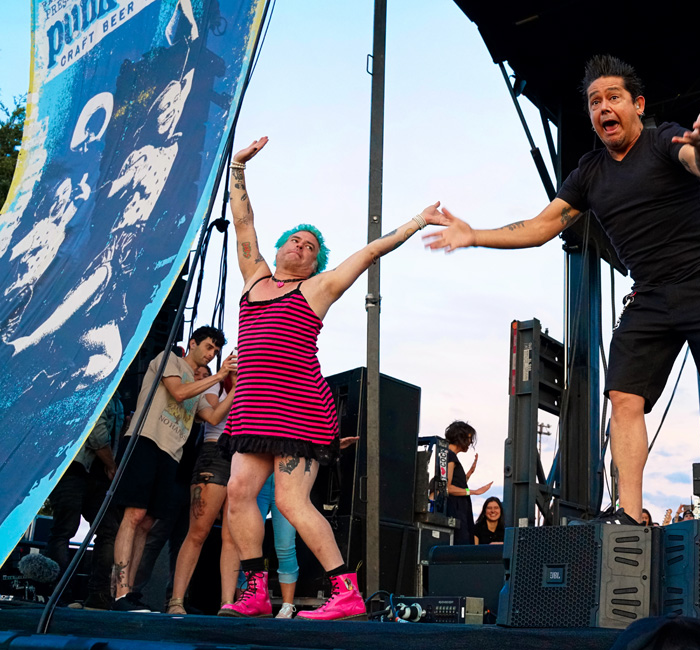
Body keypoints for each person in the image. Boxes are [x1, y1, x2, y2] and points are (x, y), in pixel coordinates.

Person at [425, 54, 700, 523]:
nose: (603, 108)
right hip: (649, 294)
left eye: (613, 97)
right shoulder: (589, 173)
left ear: (636, 104)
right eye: (595, 102)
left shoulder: (663, 140)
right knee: (624, 398)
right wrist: (474, 235)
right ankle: (630, 516)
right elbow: (541, 226)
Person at [219, 136, 449, 621]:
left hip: (300, 404)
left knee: (289, 499)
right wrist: (237, 168)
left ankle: (346, 592)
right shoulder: (254, 275)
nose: (301, 248)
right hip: (253, 406)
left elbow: (368, 253)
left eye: (311, 247)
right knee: (238, 493)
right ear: (280, 248)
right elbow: (244, 222)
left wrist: (415, 221)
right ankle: (256, 589)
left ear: (315, 262)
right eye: (296, 241)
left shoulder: (318, 288)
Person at [111, 327, 235, 612]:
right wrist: (218, 375)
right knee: (134, 514)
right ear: (192, 343)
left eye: (215, 351)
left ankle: (127, 592)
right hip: (145, 439)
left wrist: (235, 384)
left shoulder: (201, 383)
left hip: (171, 452)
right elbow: (178, 393)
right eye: (208, 347)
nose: (211, 354)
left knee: (147, 522)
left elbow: (214, 415)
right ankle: (119, 590)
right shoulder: (170, 360)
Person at [167, 369, 238, 615]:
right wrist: (235, 384)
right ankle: (176, 601)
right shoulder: (214, 386)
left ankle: (227, 603)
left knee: (232, 537)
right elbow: (214, 418)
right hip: (215, 454)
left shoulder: (256, 388)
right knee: (198, 532)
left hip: (242, 455)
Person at [43, 392, 121, 600]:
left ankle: (87, 594)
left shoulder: (117, 398)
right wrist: (112, 465)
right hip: (73, 467)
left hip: (92, 473)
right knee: (66, 530)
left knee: (106, 530)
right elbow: (96, 435)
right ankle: (64, 595)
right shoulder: (101, 389)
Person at [444, 421, 492, 545]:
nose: (470, 443)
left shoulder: (448, 455)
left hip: (459, 508)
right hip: (456, 509)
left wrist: (469, 474)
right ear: (460, 437)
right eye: (469, 438)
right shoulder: (449, 456)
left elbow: (455, 484)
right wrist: (473, 492)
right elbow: (447, 488)